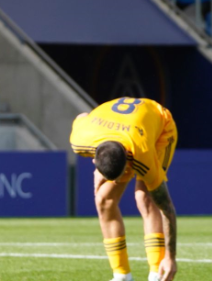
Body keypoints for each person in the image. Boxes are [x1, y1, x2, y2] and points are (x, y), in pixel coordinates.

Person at [69, 98, 178, 281]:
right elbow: (83, 117)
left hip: (159, 128)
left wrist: (170, 257)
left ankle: (156, 273)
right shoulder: (80, 141)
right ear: (94, 160)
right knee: (103, 199)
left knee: (145, 198)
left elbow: (166, 207)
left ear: (129, 161)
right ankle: (122, 276)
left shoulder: (142, 155)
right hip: (120, 130)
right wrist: (99, 170)